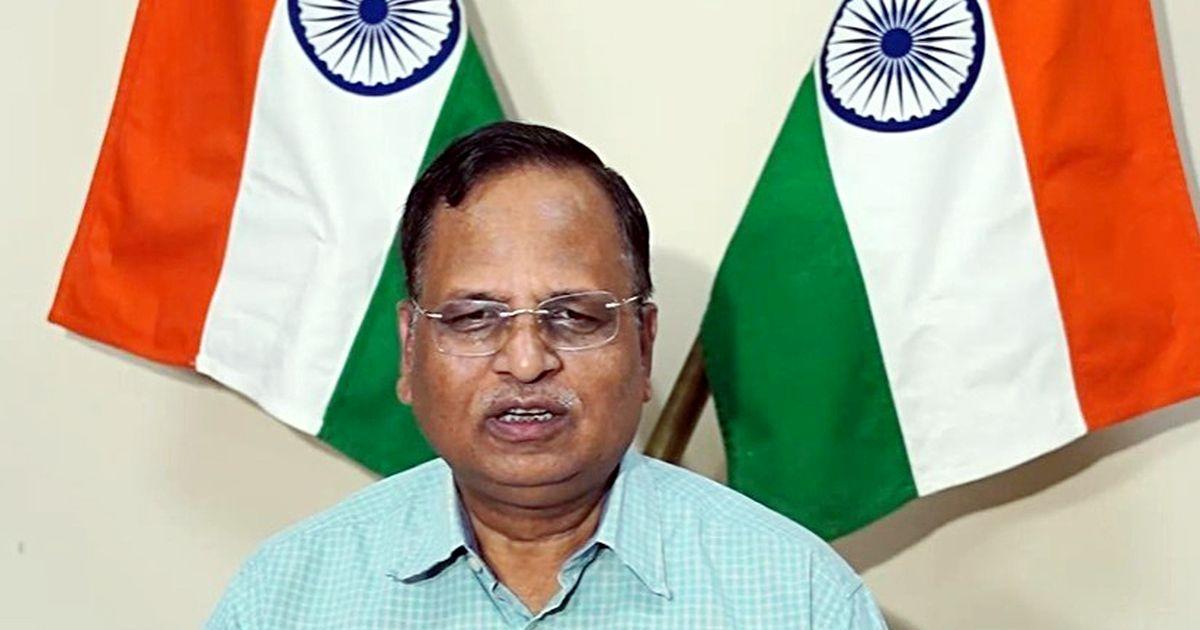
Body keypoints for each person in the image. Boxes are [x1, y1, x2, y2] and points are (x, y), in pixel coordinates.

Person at [206, 122, 887, 628]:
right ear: (410, 349)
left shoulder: (798, 597)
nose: (528, 362)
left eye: (574, 317)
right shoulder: (286, 597)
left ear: (644, 346)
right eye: (475, 318)